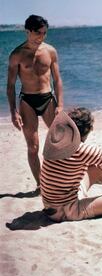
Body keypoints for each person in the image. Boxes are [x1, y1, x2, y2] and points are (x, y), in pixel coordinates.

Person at [40, 108, 102, 222]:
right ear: (88, 130)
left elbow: (89, 157)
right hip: (66, 210)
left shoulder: (57, 142)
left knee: (95, 168)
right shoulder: (81, 149)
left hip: (51, 204)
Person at [7, 15, 64, 191]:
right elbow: (10, 85)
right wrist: (13, 112)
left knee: (60, 141)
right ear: (28, 31)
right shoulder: (17, 55)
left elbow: (57, 80)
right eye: (38, 33)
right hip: (27, 101)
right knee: (33, 147)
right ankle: (41, 184)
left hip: (48, 99)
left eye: (45, 33)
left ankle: (62, 178)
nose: (42, 36)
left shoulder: (50, 51)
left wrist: (60, 104)